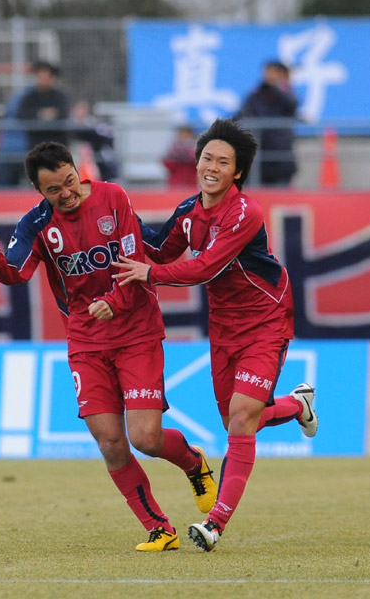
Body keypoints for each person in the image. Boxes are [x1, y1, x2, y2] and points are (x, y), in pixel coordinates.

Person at [0, 142, 218, 552]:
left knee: (145, 438)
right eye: (54, 190)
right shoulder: (37, 224)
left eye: (69, 181)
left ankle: (194, 463)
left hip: (136, 329)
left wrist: (113, 301)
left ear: (77, 170)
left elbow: (131, 259)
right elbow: (15, 274)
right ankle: (159, 527)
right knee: (109, 442)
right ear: (39, 190)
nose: (66, 194)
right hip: (86, 341)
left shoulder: (113, 197)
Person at [111, 118, 317, 552]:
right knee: (236, 421)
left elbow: (204, 267)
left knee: (242, 417)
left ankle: (216, 523)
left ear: (237, 172)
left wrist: (150, 273)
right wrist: (114, 218)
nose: (213, 167)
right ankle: (296, 406)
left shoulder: (245, 212)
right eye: (207, 158)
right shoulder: (189, 211)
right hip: (223, 327)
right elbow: (160, 247)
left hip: (265, 320)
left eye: (224, 162)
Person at [236, 61, 298, 186]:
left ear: (282, 75)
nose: (268, 75)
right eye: (267, 72)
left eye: (273, 72)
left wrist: (276, 87)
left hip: (281, 153)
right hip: (259, 151)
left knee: (280, 192)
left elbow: (291, 105)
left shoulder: (287, 94)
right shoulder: (257, 94)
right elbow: (243, 112)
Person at [16, 60, 70, 148]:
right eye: (41, 76)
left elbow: (64, 114)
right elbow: (20, 114)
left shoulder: (60, 96)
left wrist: (53, 115)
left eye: (46, 76)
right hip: (36, 143)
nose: (43, 79)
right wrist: (39, 114)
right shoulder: (29, 97)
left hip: (57, 142)